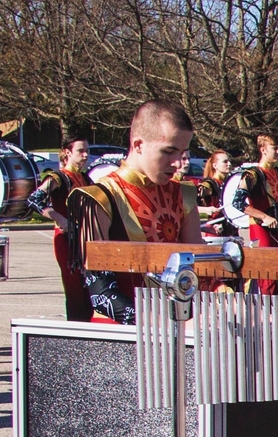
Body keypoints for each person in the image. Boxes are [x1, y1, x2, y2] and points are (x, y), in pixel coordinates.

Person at [69, 101, 198, 323]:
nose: (178, 163)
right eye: (168, 151)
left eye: (182, 153)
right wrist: (163, 321)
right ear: (138, 145)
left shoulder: (184, 194)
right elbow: (100, 294)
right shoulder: (97, 198)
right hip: (120, 334)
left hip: (176, 326)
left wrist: (225, 294)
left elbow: (198, 268)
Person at [27, 138, 96, 321]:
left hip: (84, 239)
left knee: (88, 290)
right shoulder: (58, 178)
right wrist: (59, 218)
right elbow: (34, 200)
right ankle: (76, 334)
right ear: (67, 152)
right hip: (66, 241)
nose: (86, 155)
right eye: (81, 151)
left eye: (87, 150)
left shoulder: (85, 177)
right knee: (74, 291)